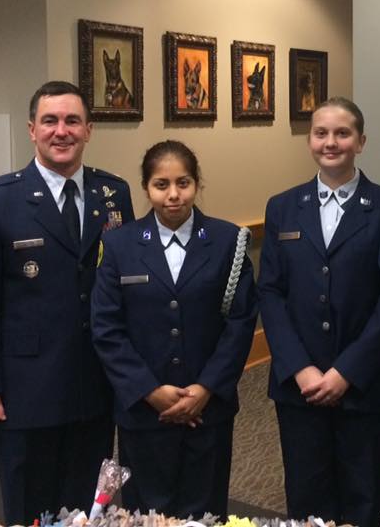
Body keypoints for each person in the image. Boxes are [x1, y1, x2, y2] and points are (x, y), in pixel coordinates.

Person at [0, 81, 135, 525]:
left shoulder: (113, 194)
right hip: (25, 393)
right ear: (32, 129)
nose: (61, 131)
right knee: (30, 508)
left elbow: (126, 288)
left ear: (88, 130)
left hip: (94, 387)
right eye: (50, 121)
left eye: (72, 121)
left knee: (87, 509)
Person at [91, 140, 257, 519]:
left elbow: (240, 322)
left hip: (208, 408)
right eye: (161, 184)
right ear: (146, 187)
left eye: (183, 183)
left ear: (197, 183)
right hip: (144, 410)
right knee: (148, 512)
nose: (173, 195)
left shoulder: (228, 241)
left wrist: (206, 388)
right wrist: (149, 391)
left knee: (204, 512)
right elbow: (106, 327)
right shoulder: (118, 245)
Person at [258, 97, 380, 527]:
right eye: (321, 133)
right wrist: (300, 368)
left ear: (361, 141)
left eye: (343, 133)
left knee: (364, 496)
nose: (331, 142)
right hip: (298, 386)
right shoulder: (282, 207)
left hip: (364, 383)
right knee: (306, 495)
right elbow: (271, 292)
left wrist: (347, 371)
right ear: (310, 140)